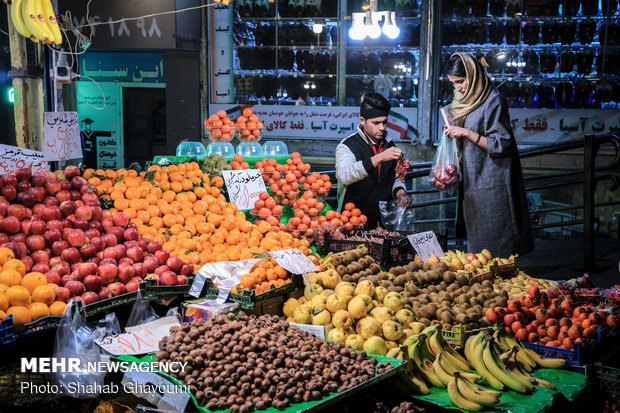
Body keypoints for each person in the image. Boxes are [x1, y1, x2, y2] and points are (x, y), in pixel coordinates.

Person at [443, 53, 534, 257]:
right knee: (476, 248)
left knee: (497, 245)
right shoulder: (463, 100)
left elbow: (502, 143)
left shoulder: (493, 101)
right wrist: (452, 130)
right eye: (453, 83)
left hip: (493, 181)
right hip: (472, 181)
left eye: (460, 81)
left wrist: (466, 133)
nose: (457, 88)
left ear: (473, 75)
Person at [335, 93, 411, 229]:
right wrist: (380, 157)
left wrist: (400, 192)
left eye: (385, 122)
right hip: (352, 223)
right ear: (362, 120)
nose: (382, 127)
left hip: (383, 222)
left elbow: (395, 178)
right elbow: (345, 175)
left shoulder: (389, 145)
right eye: (376, 123)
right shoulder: (347, 146)